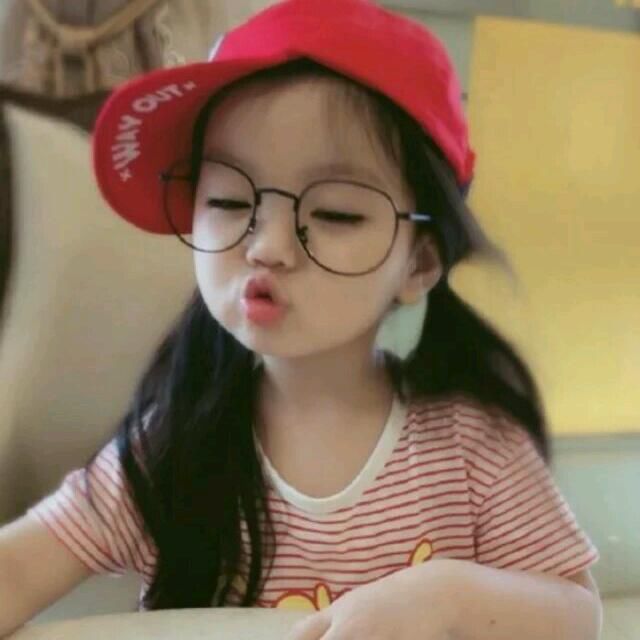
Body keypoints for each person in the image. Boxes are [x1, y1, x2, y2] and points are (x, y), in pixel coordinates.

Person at [0, 0, 603, 638]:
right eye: (230, 201)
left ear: (420, 263)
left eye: (335, 213)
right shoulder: (171, 447)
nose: (268, 247)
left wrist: (447, 598)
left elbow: (577, 615)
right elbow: (16, 570)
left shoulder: (473, 448)